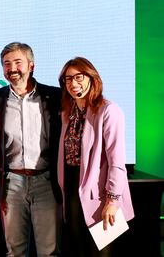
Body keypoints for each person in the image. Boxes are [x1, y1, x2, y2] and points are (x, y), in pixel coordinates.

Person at [0, 42, 62, 257]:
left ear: (31, 65)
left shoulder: (54, 96)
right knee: (14, 251)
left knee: (49, 251)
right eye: (6, 64)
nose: (12, 68)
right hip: (11, 182)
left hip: (46, 181)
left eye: (18, 62)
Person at [57, 57, 134, 257]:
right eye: (68, 79)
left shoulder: (108, 110)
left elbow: (117, 162)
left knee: (100, 252)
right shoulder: (68, 112)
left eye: (79, 77)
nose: (73, 83)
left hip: (101, 194)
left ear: (91, 78)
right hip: (73, 189)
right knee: (79, 249)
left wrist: (113, 201)